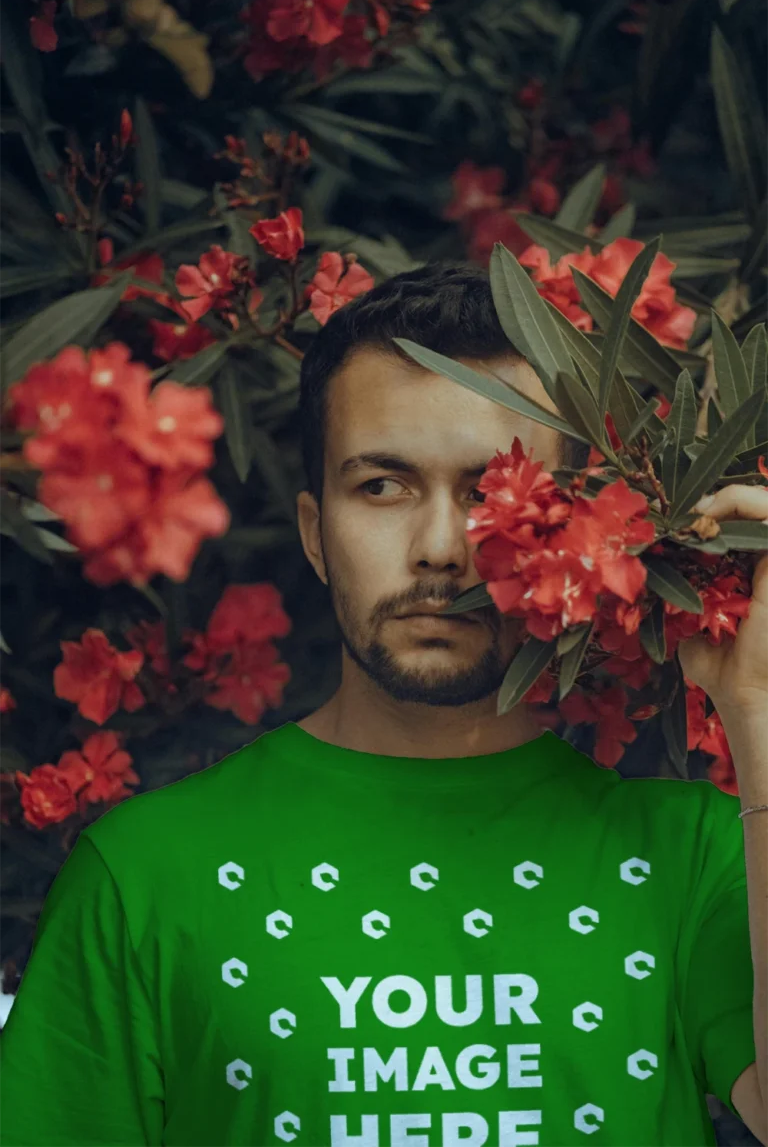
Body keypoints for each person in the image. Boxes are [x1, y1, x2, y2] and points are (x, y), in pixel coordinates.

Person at [0, 262, 758, 1146]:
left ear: (579, 527)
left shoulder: (696, 857)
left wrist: (760, 705)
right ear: (316, 536)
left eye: (490, 492)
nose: (440, 549)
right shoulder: (142, 876)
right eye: (382, 487)